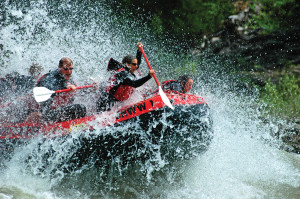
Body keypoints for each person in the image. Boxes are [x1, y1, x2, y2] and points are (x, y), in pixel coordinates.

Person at [96, 45, 155, 112]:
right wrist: (149, 76)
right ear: (127, 64)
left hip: (118, 102)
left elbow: (137, 62)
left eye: (136, 64)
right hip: (106, 103)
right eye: (134, 64)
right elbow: (134, 84)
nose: (136, 66)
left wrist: (139, 51)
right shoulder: (122, 74)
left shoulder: (129, 69)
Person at [36, 57, 86, 122]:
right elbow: (51, 87)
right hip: (48, 114)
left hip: (60, 110)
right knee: (80, 108)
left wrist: (92, 88)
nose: (69, 71)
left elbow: (78, 91)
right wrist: (65, 87)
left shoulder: (69, 76)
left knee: (82, 108)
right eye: (66, 69)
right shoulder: (51, 77)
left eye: (71, 68)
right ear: (59, 68)